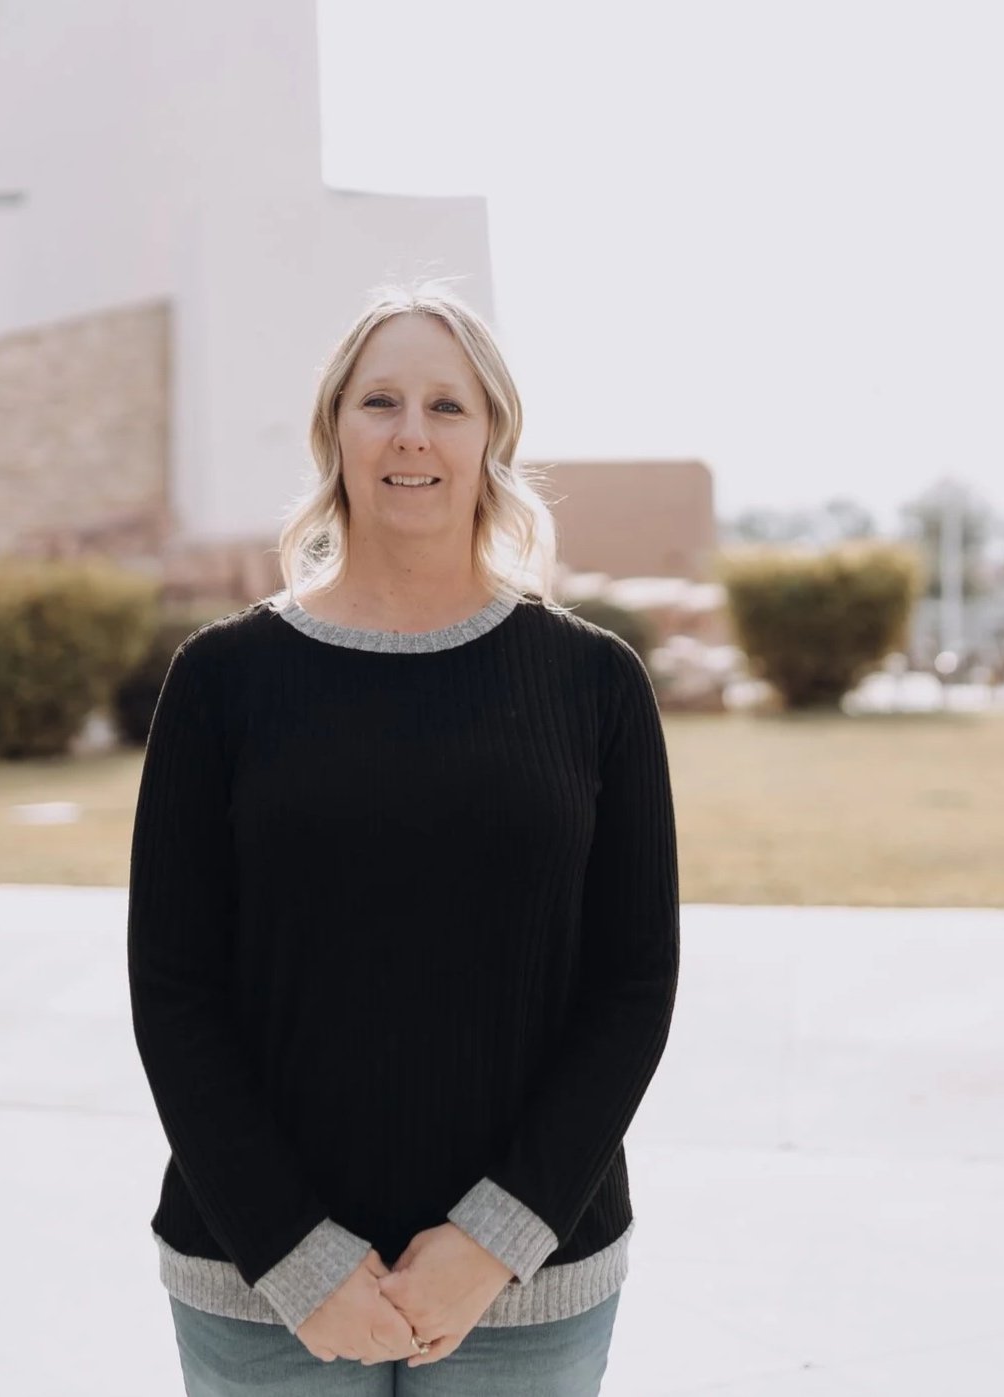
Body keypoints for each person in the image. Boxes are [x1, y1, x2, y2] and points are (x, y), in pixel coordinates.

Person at [126, 282, 680, 1395]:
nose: (411, 433)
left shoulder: (593, 683)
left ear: (493, 436)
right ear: (333, 429)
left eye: (447, 405)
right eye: (379, 401)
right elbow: (175, 987)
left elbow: (631, 984)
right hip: (258, 1284)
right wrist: (294, 1254)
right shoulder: (222, 680)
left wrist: (493, 1240)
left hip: (528, 1285)